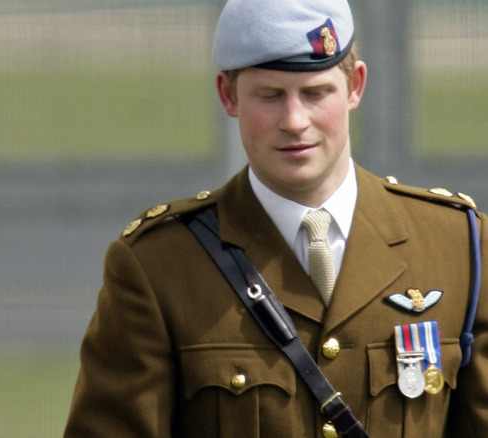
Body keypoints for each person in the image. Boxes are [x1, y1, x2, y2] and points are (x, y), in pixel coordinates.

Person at [64, 0, 488, 436]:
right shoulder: (161, 266)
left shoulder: (458, 246)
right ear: (228, 95)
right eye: (269, 96)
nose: (294, 121)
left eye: (315, 92)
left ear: (355, 87)